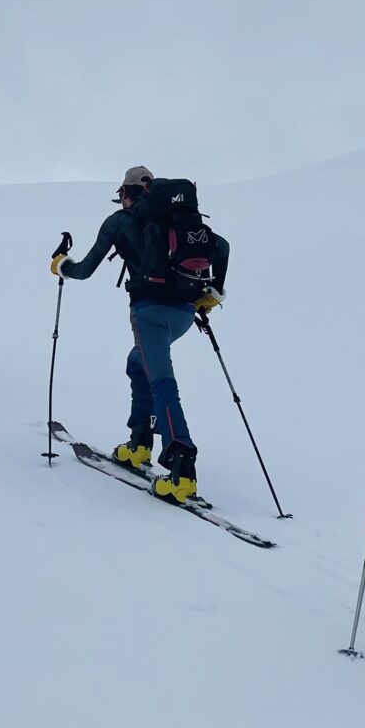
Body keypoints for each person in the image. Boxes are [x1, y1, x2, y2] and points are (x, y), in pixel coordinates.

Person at [52, 166, 228, 503]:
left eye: (121, 194)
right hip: (183, 313)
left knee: (162, 381)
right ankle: (140, 443)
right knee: (138, 363)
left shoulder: (119, 222)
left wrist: (62, 265)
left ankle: (182, 470)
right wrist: (212, 294)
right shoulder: (175, 220)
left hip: (149, 315)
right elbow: (222, 247)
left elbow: (85, 270)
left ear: (127, 193)